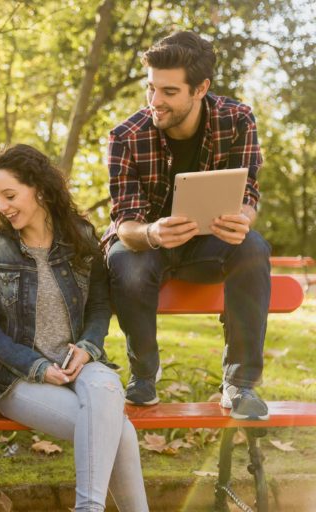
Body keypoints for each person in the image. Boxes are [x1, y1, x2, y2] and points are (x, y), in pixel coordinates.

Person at [102, 31, 271, 420]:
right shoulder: (125, 136)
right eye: (151, 88)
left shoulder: (237, 119)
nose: (155, 101)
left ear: (201, 89)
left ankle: (240, 384)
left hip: (209, 247)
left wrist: (241, 219)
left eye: (169, 91)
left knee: (254, 246)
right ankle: (144, 374)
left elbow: (249, 195)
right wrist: (151, 233)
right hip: (148, 247)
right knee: (124, 262)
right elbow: (124, 221)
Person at [0, 144, 148, 512]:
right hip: (20, 378)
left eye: (9, 195)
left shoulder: (80, 235)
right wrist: (37, 367)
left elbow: (100, 306)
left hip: (80, 363)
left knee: (105, 389)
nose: (2, 207)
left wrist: (88, 346)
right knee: (120, 432)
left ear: (37, 188)